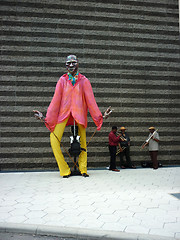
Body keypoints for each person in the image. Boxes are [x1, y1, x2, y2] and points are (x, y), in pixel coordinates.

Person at [34, 55, 111, 178]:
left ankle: (83, 169)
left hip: (79, 115)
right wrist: (45, 118)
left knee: (83, 143)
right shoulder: (62, 80)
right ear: (65, 65)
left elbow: (91, 101)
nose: (71, 65)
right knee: (54, 140)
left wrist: (101, 116)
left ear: (78, 64)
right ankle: (65, 169)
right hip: (63, 114)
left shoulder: (84, 80)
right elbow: (55, 100)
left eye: (73, 63)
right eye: (68, 63)